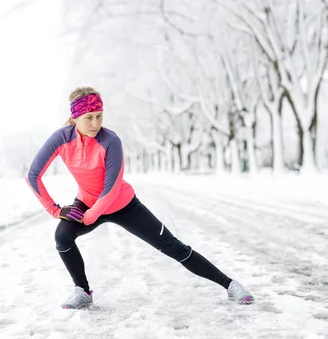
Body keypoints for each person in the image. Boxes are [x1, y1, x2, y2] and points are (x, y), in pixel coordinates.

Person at [26, 87, 254, 309]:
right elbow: (33, 175)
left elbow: (111, 187)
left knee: (175, 248)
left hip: (123, 205)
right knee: (62, 237)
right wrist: (56, 210)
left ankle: (231, 285)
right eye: (89, 118)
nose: (95, 123)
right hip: (86, 203)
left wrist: (90, 216)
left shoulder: (110, 140)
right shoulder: (61, 139)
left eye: (99, 116)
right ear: (75, 118)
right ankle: (83, 292)